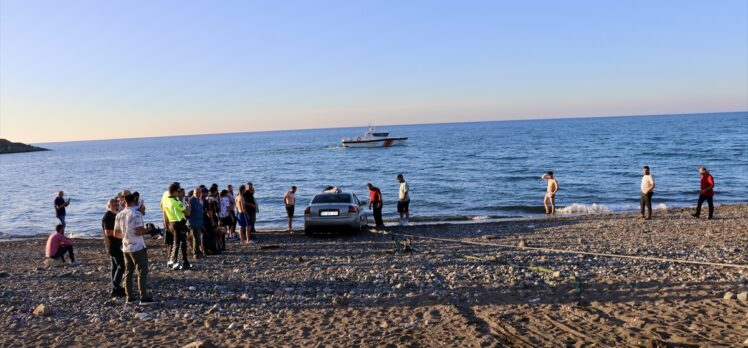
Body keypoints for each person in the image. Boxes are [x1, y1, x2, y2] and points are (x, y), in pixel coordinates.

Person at [114, 193, 156, 305]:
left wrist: (126, 236)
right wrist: (148, 229)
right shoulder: (136, 214)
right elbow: (138, 231)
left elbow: (116, 233)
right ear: (134, 201)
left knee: (128, 271)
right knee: (142, 271)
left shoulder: (119, 215)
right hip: (137, 246)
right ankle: (144, 297)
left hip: (126, 246)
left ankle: (130, 297)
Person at [162, 182, 191, 270]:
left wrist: (166, 223)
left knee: (178, 243)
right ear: (174, 191)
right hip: (179, 223)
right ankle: (176, 262)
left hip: (171, 223)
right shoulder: (176, 202)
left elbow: (164, 211)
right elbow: (187, 212)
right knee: (179, 243)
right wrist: (188, 204)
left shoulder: (166, 200)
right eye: (178, 191)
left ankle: (177, 261)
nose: (180, 193)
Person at [102, 199, 125, 297]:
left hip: (114, 244)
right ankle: (115, 287)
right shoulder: (108, 217)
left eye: (117, 204)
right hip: (113, 245)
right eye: (114, 205)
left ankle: (115, 286)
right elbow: (108, 232)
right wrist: (123, 233)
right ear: (109, 206)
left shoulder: (114, 215)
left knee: (115, 267)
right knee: (121, 266)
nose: (116, 206)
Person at [187, 187, 204, 258]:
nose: (198, 194)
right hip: (192, 222)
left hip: (199, 222)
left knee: (198, 238)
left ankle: (199, 251)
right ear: (194, 193)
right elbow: (188, 212)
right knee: (195, 238)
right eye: (196, 193)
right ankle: (195, 253)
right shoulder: (190, 201)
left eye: (199, 193)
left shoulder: (199, 200)